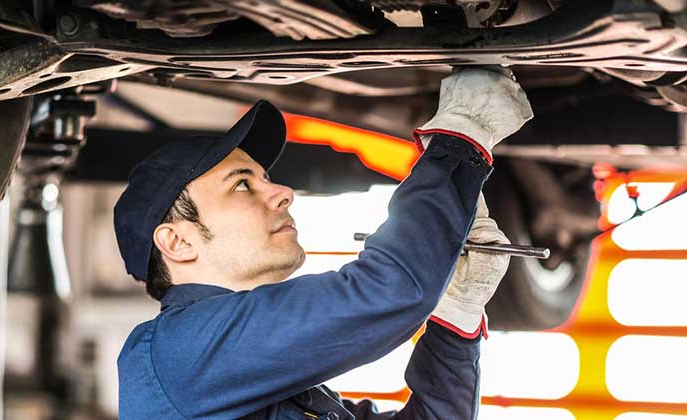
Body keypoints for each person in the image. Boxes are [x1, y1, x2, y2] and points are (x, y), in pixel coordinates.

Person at [113, 67, 533, 419]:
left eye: (265, 178)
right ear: (178, 241)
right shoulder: (176, 354)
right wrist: (461, 136)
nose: (282, 192)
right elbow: (387, 291)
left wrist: (455, 315)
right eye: (242, 185)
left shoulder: (251, 378)